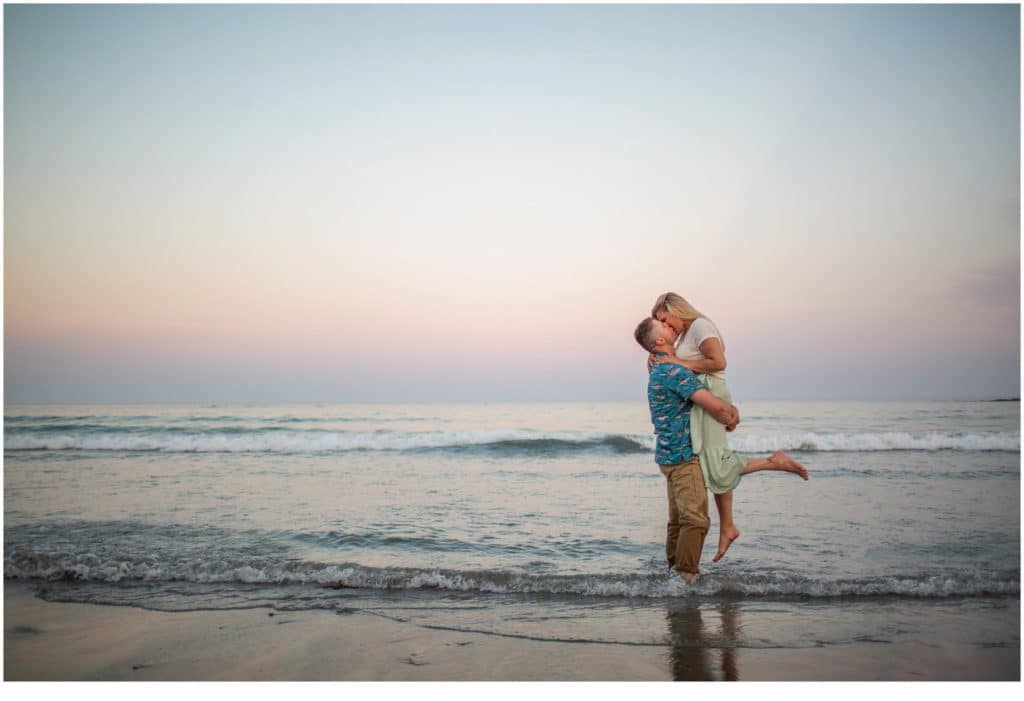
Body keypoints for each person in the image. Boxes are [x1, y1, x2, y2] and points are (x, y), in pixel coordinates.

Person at [650, 292, 807, 563]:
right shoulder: (685, 335)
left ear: (674, 309)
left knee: (715, 460)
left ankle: (774, 463)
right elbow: (669, 365)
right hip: (701, 396)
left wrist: (678, 363)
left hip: (710, 393)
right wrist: (657, 358)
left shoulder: (699, 326)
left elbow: (719, 362)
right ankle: (728, 527)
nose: (666, 326)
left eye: (664, 319)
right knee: (714, 460)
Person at [634, 316, 739, 582]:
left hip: (668, 456)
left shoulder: (658, 369)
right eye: (667, 327)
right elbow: (710, 404)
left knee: (679, 521)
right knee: (696, 520)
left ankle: (672, 574)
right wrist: (729, 415)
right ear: (660, 340)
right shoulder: (673, 371)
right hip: (683, 456)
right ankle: (685, 578)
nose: (672, 327)